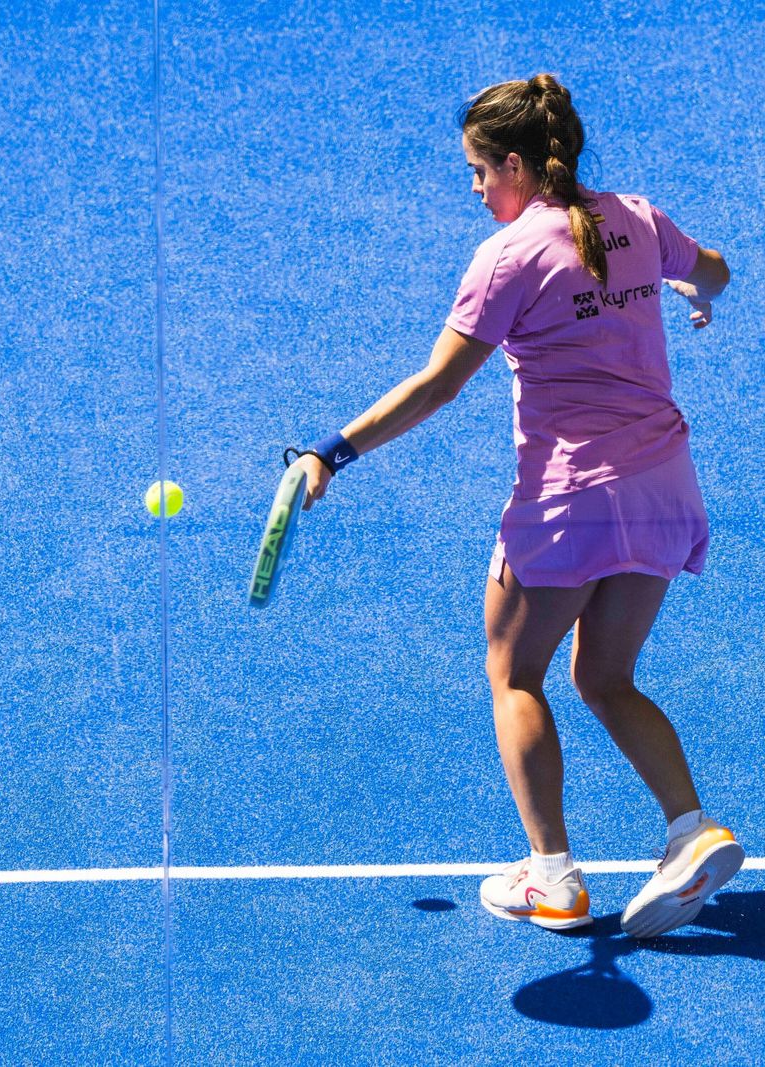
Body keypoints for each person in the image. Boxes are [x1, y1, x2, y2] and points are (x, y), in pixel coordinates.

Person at [294, 73, 739, 938]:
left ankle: (553, 877)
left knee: (515, 674)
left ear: (513, 162)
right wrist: (693, 289)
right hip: (662, 490)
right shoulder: (638, 221)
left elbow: (437, 386)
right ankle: (693, 830)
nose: (473, 189)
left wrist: (332, 448)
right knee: (604, 677)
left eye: (477, 171)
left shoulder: (508, 258)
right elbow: (715, 269)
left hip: (567, 506)